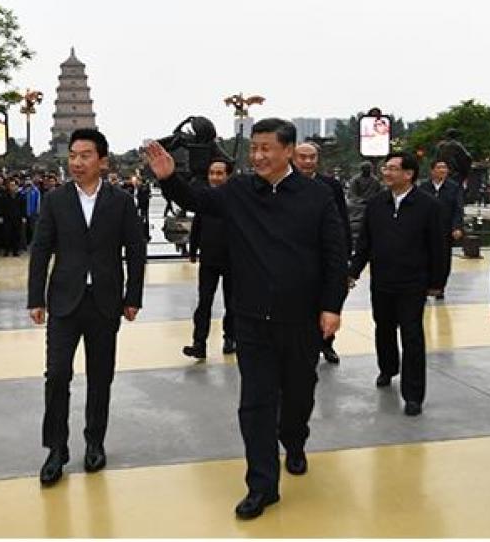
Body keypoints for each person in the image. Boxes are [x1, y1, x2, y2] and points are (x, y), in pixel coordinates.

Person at [145, 118, 348, 521]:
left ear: (288, 150)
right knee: (255, 403)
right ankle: (262, 485)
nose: (257, 155)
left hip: (301, 318)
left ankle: (294, 439)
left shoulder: (317, 196)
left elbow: (335, 252)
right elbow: (198, 199)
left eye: (266, 148)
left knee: (299, 394)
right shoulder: (238, 191)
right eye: (254, 148)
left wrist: (332, 306)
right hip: (252, 319)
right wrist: (168, 178)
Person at [28, 128, 147, 486]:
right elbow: (41, 249)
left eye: (85, 156)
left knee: (100, 376)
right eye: (73, 156)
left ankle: (95, 441)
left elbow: (136, 251)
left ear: (102, 161)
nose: (77, 162)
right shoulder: (55, 200)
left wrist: (133, 297)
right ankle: (56, 449)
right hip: (64, 301)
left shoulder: (121, 201)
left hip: (105, 303)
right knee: (56, 375)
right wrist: (36, 298)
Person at [349, 151, 445, 416]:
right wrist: (353, 272)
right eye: (385, 168)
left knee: (412, 336)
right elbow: (364, 243)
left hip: (413, 283)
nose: (386, 173)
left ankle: (413, 395)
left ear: (408, 174)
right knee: (384, 328)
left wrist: (437, 281)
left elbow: (439, 247)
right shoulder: (376, 204)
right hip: (382, 280)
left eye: (392, 168)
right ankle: (388, 367)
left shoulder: (428, 206)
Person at [292, 142, 351, 364]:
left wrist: (346, 254)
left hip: (325, 253)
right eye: (303, 157)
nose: (308, 161)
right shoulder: (285, 184)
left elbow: (342, 220)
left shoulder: (330, 186)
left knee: (328, 299)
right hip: (296, 255)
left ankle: (327, 343)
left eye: (312, 157)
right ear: (293, 158)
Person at [184, 158, 235, 359]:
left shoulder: (237, 200)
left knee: (232, 303)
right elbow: (197, 225)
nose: (215, 177)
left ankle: (230, 338)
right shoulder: (205, 198)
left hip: (232, 260)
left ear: (228, 176)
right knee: (204, 302)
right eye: (212, 173)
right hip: (209, 259)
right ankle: (199, 343)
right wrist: (193, 250)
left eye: (219, 173)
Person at [418, 159, 464, 299]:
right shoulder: (423, 187)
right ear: (432, 171)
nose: (442, 170)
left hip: (445, 229)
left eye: (444, 168)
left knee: (443, 259)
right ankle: (425, 287)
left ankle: (439, 287)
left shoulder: (454, 187)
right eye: (439, 167)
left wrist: (457, 227)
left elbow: (458, 209)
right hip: (426, 230)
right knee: (424, 258)